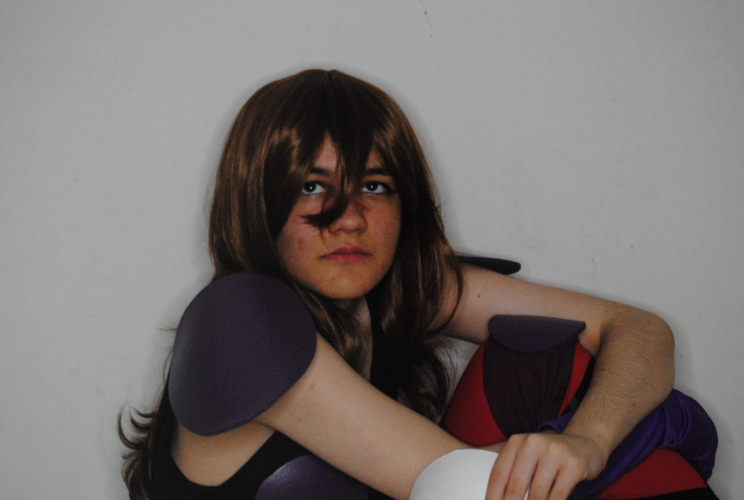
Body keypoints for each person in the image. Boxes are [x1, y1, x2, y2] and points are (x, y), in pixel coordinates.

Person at [119, 69, 715, 500]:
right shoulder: (236, 323)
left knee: (540, 358)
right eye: (311, 186)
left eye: (374, 186)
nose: (349, 218)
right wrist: (666, 423)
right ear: (257, 204)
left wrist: (590, 437)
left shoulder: (395, 287)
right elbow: (461, 489)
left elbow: (636, 328)